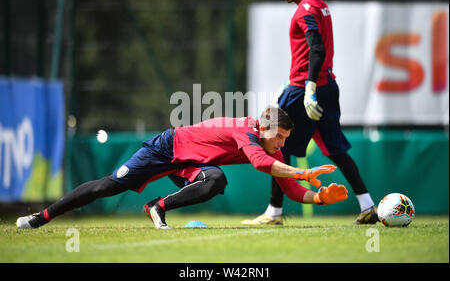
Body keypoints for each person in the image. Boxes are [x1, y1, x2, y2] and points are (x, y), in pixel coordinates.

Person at [17, 107, 348, 230]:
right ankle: (40, 217)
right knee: (107, 186)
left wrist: (318, 199)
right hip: (166, 148)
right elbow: (263, 165)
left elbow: (288, 187)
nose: (283, 145)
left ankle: (157, 207)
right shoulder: (247, 132)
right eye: (280, 137)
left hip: (193, 165)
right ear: (264, 129)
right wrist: (305, 173)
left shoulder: (269, 146)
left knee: (216, 179)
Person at [242, 0, 378, 226]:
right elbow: (315, 51)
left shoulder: (305, 10)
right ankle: (368, 205)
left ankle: (274, 213)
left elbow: (316, 49)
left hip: (304, 89)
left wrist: (308, 88)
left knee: (274, 145)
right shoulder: (319, 4)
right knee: (335, 150)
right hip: (327, 87)